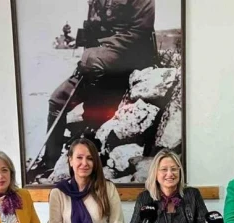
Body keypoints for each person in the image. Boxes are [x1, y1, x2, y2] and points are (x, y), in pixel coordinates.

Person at [37, 0, 156, 174]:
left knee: (96, 112)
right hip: (96, 62)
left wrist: (97, 52)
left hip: (128, 58)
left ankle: (91, 141)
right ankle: (50, 162)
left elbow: (139, 32)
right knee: (58, 100)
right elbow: (94, 26)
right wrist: (89, 49)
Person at [128, 150, 213, 223]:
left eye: (174, 169)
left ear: (179, 172)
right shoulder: (145, 197)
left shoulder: (193, 194)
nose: (170, 174)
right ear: (155, 173)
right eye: (164, 169)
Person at [48, 138, 125, 223]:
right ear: (70, 160)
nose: (84, 163)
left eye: (90, 158)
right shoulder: (58, 192)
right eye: (79, 157)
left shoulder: (108, 188)